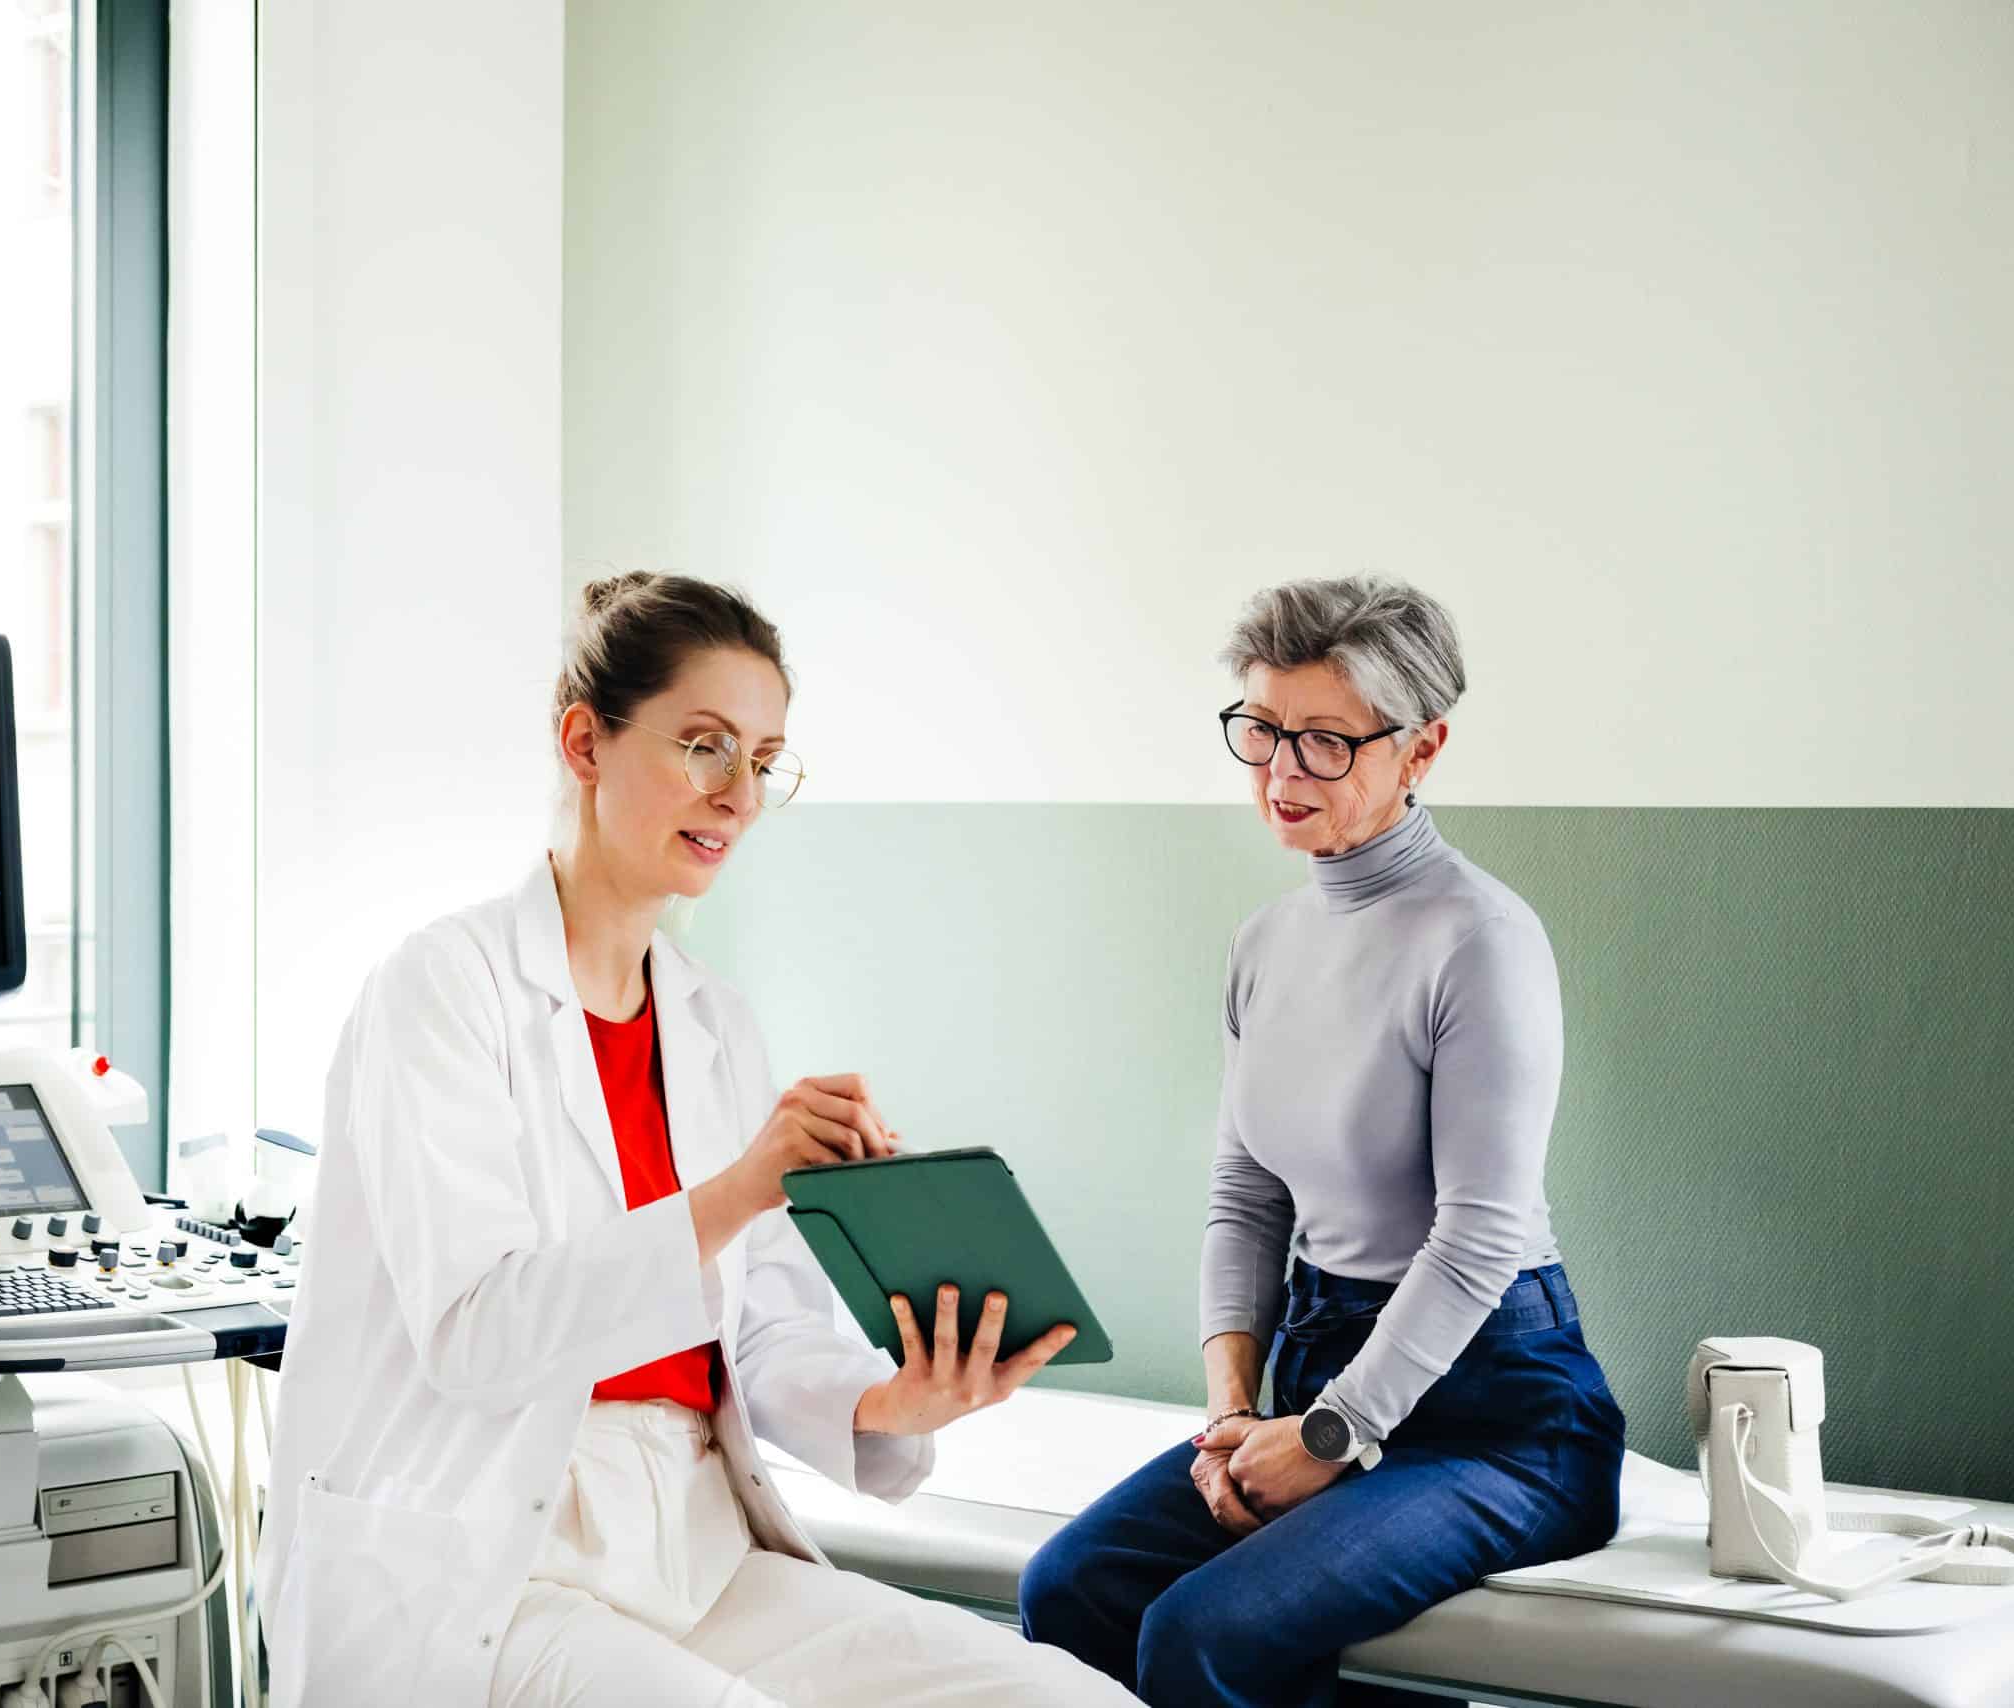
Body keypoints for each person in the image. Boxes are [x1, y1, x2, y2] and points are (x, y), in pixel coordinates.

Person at [261, 573, 1138, 1707]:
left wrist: (894, 1403)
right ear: (585, 741)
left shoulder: (713, 1020)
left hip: (691, 1542)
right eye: (706, 746)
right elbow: (476, 1336)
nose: (739, 795)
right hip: (491, 1562)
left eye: (763, 760)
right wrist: (738, 1188)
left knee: (1065, 1698)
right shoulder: (441, 988)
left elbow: (760, 1332)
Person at [1018, 576, 1627, 1707]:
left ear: (1421, 748)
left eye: (1326, 742)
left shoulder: (1482, 940)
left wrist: (1335, 1433)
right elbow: (1245, 1197)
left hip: (1497, 1419)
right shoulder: (1266, 943)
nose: (1282, 772)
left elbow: (1481, 1234)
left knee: (1204, 1634)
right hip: (1313, 1369)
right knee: (1070, 1589)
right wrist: (1232, 1417)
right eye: (1261, 730)